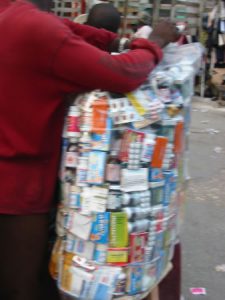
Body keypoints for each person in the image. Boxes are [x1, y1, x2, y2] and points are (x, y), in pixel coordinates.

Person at [0, 1, 179, 300]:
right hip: (18, 189)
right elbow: (124, 73)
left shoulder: (13, 16)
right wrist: (155, 42)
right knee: (21, 286)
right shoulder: (34, 27)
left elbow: (68, 30)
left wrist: (118, 41)